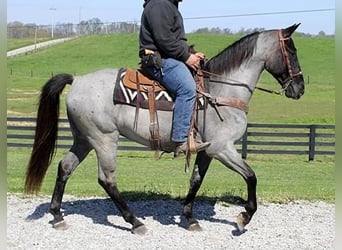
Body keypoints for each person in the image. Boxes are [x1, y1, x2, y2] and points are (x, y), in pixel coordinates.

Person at [139, 0, 210, 157]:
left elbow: (175, 40)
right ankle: (181, 141)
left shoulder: (167, 5)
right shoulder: (159, 4)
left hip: (169, 57)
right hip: (160, 60)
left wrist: (191, 54)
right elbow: (164, 39)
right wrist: (186, 57)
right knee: (187, 89)